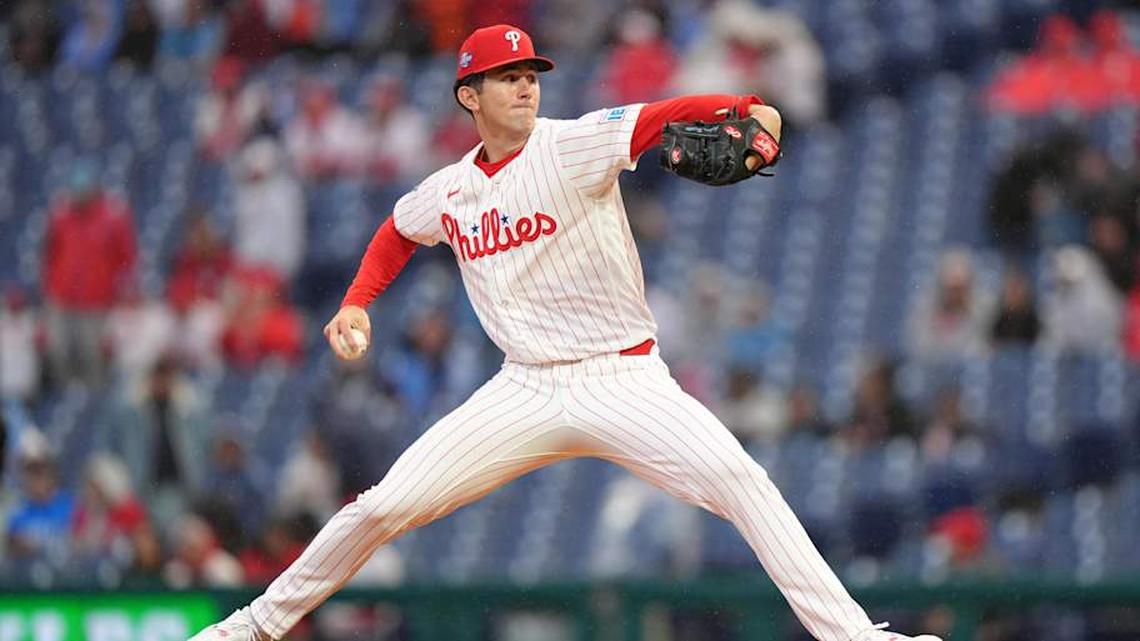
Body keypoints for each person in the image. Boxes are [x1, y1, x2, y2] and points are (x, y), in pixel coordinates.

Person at [189, 25, 940, 641]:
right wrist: (356, 303)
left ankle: (859, 639)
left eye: (531, 72)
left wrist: (748, 105)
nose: (525, 84)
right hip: (525, 386)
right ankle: (251, 627)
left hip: (624, 377)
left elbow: (661, 115)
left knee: (742, 481)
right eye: (507, 74)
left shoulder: (571, 144)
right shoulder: (449, 190)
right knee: (383, 505)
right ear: (469, 95)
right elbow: (395, 230)